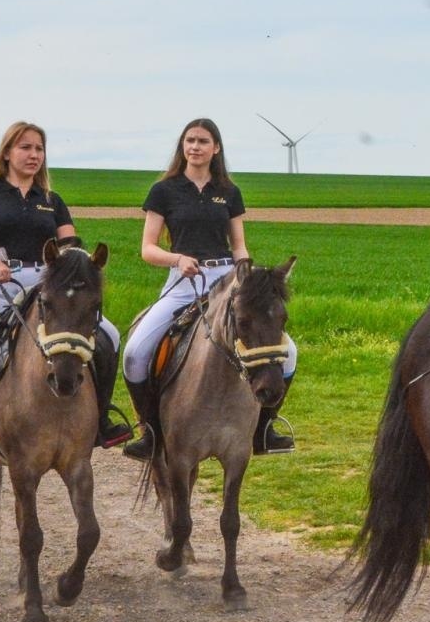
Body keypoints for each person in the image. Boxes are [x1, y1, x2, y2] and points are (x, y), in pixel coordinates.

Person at [0, 122, 130, 463]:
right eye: (25, 148)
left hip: (44, 288)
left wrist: (79, 262)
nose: (33, 155)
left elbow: (69, 242)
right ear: (7, 152)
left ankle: (101, 420)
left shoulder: (51, 201)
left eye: (39, 149)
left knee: (109, 336)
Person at [121, 118, 298, 461]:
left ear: (216, 148)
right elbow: (148, 248)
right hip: (184, 281)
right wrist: (176, 259)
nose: (195, 147)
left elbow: (239, 245)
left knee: (288, 353)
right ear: (182, 146)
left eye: (203, 141)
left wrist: (248, 272)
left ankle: (264, 427)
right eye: (190, 141)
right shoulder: (164, 190)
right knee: (135, 352)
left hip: (227, 281)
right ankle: (151, 430)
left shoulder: (229, 192)